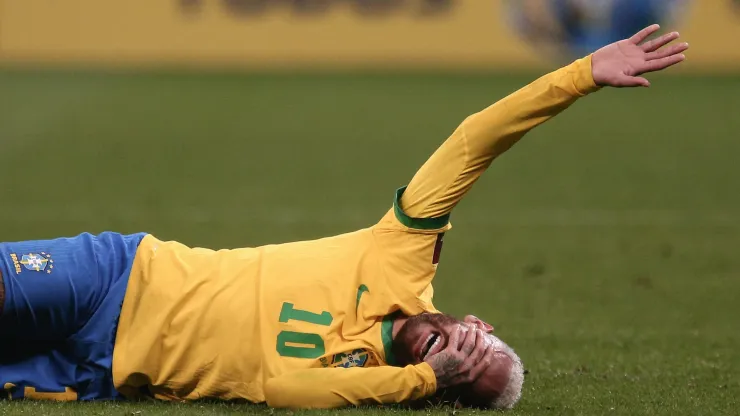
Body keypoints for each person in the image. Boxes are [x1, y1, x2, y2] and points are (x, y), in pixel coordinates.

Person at [0, 25, 687, 409]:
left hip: (106, 373)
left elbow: (285, 386)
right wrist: (577, 77)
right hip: (121, 276)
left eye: (460, 378)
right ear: (475, 325)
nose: (451, 356)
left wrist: (421, 381)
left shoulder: (364, 380)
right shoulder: (402, 258)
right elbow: (473, 142)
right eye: (472, 351)